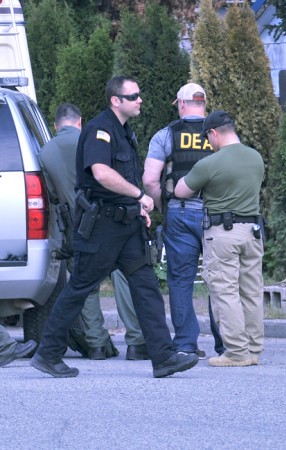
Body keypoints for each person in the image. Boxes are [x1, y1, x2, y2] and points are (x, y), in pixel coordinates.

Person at [30, 75, 199, 378]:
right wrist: (140, 196)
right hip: (102, 227)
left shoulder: (123, 131)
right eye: (133, 96)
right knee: (79, 287)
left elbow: (124, 178)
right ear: (115, 101)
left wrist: (137, 208)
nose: (140, 100)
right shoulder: (99, 130)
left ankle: (163, 357)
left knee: (146, 286)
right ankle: (48, 353)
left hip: (126, 224)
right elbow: (102, 174)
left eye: (139, 95)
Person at [38, 103, 148, 361]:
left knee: (84, 283)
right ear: (80, 122)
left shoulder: (45, 151)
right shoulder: (94, 139)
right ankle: (135, 341)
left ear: (56, 125)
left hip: (78, 224)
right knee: (126, 275)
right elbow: (118, 176)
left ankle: (97, 344)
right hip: (114, 218)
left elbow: (51, 195)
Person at [175, 110, 265, 367]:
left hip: (223, 233)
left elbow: (182, 190)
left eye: (207, 138)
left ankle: (236, 351)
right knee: (251, 291)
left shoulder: (210, 163)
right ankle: (253, 348)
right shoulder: (255, 157)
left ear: (213, 133)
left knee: (225, 291)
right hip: (253, 232)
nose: (208, 143)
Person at [143, 82, 225, 357]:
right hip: (214, 211)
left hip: (179, 210)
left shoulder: (166, 135)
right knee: (219, 278)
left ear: (181, 103)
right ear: (203, 104)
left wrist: (164, 206)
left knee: (180, 279)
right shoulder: (219, 134)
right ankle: (225, 343)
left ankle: (186, 344)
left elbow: (150, 180)